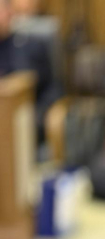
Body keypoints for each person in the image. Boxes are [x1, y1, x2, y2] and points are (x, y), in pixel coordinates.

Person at [0, 0, 60, 144]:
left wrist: (37, 116)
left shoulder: (30, 46)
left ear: (9, 13)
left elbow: (52, 88)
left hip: (27, 119)